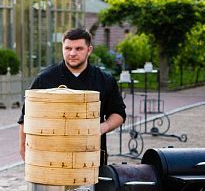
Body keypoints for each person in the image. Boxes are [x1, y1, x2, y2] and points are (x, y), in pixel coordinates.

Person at [16, 28, 125, 166]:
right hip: (51, 157)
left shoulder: (105, 80)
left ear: (89, 50)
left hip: (91, 156)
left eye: (79, 48)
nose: (72, 53)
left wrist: (103, 127)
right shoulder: (44, 79)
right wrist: (22, 146)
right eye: (68, 48)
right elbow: (26, 116)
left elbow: (119, 113)